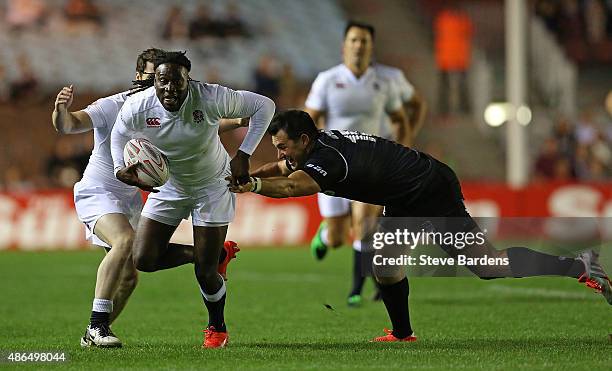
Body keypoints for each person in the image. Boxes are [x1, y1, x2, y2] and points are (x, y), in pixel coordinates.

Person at [230, 109, 612, 342]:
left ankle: (579, 265)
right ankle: (402, 333)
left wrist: (254, 185)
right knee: (383, 263)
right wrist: (247, 172)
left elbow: (297, 185)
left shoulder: (327, 160)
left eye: (282, 146)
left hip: (427, 189)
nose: (280, 153)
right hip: (406, 190)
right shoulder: (316, 145)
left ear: (303, 140)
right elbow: (286, 168)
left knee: (487, 266)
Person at [52, 48, 242, 348]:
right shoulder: (113, 106)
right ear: (138, 76)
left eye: (163, 78)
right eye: (154, 77)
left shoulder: (162, 108)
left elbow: (206, 124)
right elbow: (70, 125)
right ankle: (97, 324)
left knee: (130, 278)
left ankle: (93, 334)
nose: (161, 84)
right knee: (125, 241)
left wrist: (241, 119)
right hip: (99, 192)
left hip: (130, 201)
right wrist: (61, 111)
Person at [110, 51, 275, 348]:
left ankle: (217, 327)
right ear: (154, 82)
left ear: (189, 80)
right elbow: (118, 134)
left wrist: (244, 155)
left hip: (212, 185)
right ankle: (213, 255)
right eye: (162, 81)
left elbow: (264, 105)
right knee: (143, 259)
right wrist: (118, 169)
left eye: (177, 81)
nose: (169, 88)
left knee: (205, 272)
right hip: (169, 186)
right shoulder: (138, 105)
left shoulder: (211, 97)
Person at [305, 20, 425, 306]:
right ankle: (325, 235)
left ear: (372, 47)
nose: (359, 46)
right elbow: (310, 119)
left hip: (368, 162)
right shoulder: (327, 79)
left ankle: (356, 289)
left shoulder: (383, 81)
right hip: (333, 163)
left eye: (364, 41)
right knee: (337, 237)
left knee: (366, 224)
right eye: (354, 40)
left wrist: (402, 153)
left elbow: (400, 119)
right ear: (344, 45)